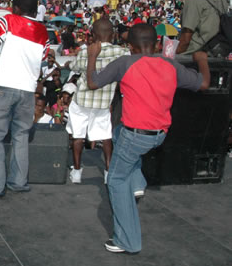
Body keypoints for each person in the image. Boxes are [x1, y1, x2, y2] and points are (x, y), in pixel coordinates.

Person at [86, 24, 209, 254]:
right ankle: (137, 182)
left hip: (137, 136)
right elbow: (203, 84)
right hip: (158, 136)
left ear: (130, 47)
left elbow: (93, 82)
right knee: (118, 133)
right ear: (157, 45)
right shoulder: (170, 64)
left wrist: (92, 56)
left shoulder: (125, 63)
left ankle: (127, 241)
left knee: (115, 181)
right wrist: (202, 59)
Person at [0, 0, 48, 198]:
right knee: (20, 136)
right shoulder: (43, 31)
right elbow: (43, 58)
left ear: (16, 8)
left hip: (5, 87)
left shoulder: (9, 20)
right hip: (27, 91)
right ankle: (18, 182)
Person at [67, 19, 130, 184]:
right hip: (103, 101)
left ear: (93, 35)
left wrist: (68, 63)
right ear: (113, 34)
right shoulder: (122, 53)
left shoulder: (85, 52)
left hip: (82, 99)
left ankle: (77, 172)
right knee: (105, 135)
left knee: (78, 135)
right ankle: (108, 172)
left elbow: (75, 67)